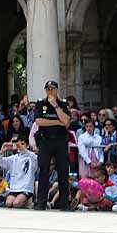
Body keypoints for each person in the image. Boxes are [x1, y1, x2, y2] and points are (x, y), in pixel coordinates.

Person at [33, 80, 71, 210]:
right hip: (46, 141)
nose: (50, 91)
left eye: (52, 89)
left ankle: (64, 203)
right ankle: (41, 202)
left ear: (56, 90)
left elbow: (66, 121)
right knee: (43, 171)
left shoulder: (62, 104)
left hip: (60, 141)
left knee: (63, 171)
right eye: (47, 89)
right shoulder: (40, 104)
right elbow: (39, 121)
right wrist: (57, 122)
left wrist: (55, 105)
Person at [0, 140, 37, 209]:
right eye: (19, 144)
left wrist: (25, 150)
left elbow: (37, 159)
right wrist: (2, 151)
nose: (20, 146)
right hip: (14, 188)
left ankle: (28, 201)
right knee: (8, 203)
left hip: (26, 189)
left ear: (27, 146)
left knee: (16, 204)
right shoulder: (13, 158)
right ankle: (23, 201)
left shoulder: (31, 157)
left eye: (23, 144)